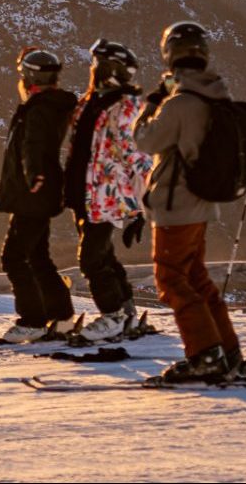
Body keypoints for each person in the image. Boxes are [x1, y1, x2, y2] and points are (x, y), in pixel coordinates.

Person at [131, 21, 242, 381]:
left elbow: (146, 141)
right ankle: (227, 352)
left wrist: (152, 105)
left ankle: (205, 355)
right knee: (197, 279)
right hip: (202, 203)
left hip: (176, 203)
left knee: (172, 280)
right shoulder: (216, 95)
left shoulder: (179, 103)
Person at [63, 39, 153, 342]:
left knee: (91, 259)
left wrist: (142, 204)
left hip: (107, 196)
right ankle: (125, 314)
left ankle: (112, 314)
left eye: (98, 64)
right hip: (83, 193)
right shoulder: (89, 102)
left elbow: (135, 153)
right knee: (104, 256)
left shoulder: (125, 106)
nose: (93, 69)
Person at [0, 46, 79, 345]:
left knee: (13, 257)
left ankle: (33, 321)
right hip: (39, 193)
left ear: (28, 78)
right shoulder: (49, 105)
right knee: (38, 256)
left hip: (33, 194)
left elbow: (34, 145)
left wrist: (34, 176)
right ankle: (61, 317)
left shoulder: (39, 109)